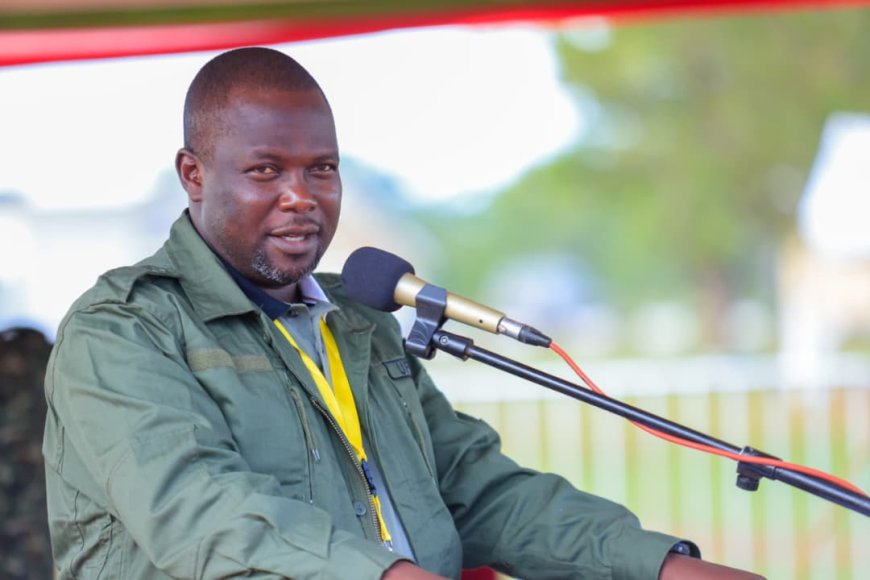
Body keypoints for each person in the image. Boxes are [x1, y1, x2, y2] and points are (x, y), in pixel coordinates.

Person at [44, 47, 763, 579]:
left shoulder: (360, 319)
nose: (302, 196)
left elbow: (476, 491)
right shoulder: (121, 330)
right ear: (193, 175)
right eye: (266, 170)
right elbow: (201, 514)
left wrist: (660, 565)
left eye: (322, 168)